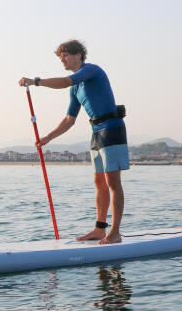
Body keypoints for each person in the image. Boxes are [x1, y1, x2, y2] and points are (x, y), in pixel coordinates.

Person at [19, 39, 129, 244]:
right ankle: (100, 229)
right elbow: (69, 119)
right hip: (97, 133)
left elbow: (63, 82)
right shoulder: (76, 88)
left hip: (112, 129)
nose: (62, 59)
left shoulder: (91, 70)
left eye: (66, 55)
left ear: (79, 54)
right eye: (60, 56)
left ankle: (115, 232)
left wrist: (35, 81)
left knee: (113, 182)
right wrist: (47, 138)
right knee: (99, 182)